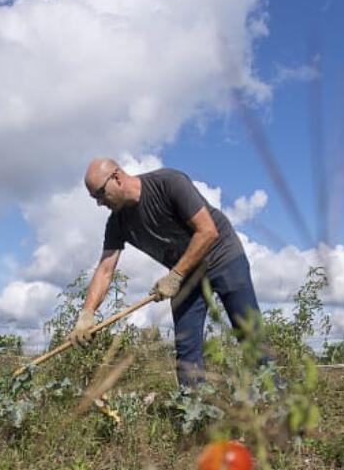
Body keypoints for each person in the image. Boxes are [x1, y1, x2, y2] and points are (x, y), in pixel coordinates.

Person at [71, 157, 270, 388]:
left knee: (249, 335)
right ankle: (195, 415)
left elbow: (207, 231)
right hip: (186, 275)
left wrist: (174, 276)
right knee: (187, 353)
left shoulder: (169, 183)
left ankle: (277, 406)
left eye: (99, 194)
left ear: (116, 177)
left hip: (222, 257)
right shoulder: (117, 223)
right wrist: (86, 313)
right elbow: (105, 269)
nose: (99, 203)